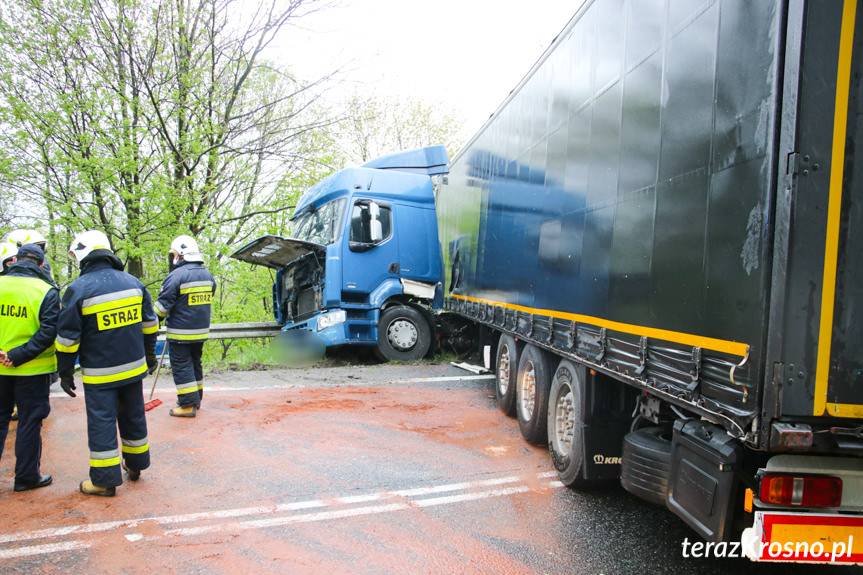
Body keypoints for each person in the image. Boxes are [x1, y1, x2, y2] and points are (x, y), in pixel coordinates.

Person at [55, 230, 159, 497]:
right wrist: (150, 356)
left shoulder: (78, 289)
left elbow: (67, 339)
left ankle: (104, 480)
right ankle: (135, 465)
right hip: (134, 368)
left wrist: (65, 372)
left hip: (101, 374)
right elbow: (150, 325)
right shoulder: (133, 283)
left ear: (82, 256)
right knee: (133, 415)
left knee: (102, 423)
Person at [0, 244, 60, 492]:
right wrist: (18, 356)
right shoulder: (46, 291)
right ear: (40, 264)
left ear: (15, 260)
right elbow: (48, 332)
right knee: (29, 422)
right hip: (32, 370)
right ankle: (26, 477)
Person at [154, 234, 216, 418]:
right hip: (201, 331)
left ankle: (188, 405)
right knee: (195, 363)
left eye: (173, 254)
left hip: (181, 332)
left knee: (182, 366)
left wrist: (152, 322)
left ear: (180, 254)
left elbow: (162, 307)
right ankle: (196, 399)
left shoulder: (176, 276)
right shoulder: (207, 274)